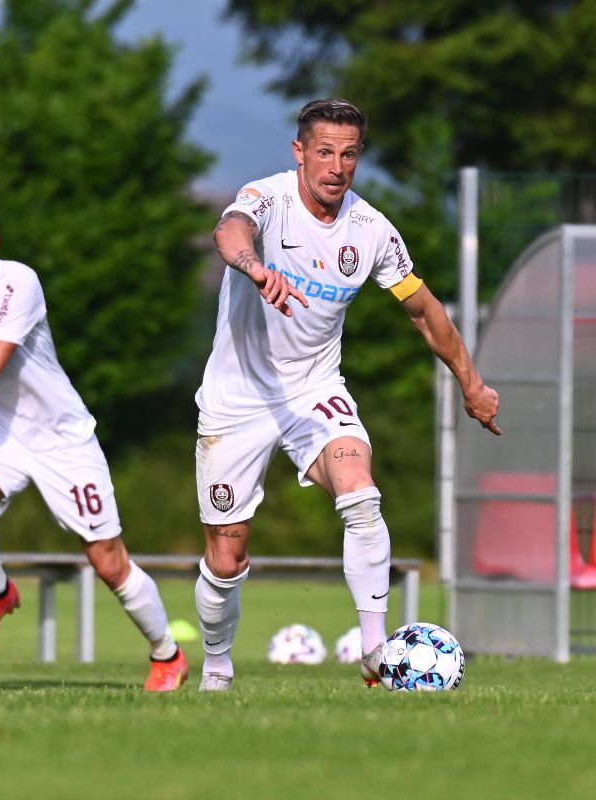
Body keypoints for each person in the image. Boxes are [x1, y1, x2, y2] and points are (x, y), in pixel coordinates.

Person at [193, 98, 501, 692]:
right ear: (300, 152)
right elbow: (229, 231)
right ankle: (216, 667)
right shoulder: (269, 198)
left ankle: (373, 651)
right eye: (325, 151)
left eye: (349, 154)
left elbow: (422, 308)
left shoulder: (372, 231)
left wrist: (472, 381)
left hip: (314, 389)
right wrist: (256, 269)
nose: (336, 166)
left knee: (361, 492)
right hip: (237, 398)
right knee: (226, 559)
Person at [0, 194, 189, 692]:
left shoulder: (16, 281)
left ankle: (167, 654)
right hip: (1, 432)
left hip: (63, 439)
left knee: (108, 560)